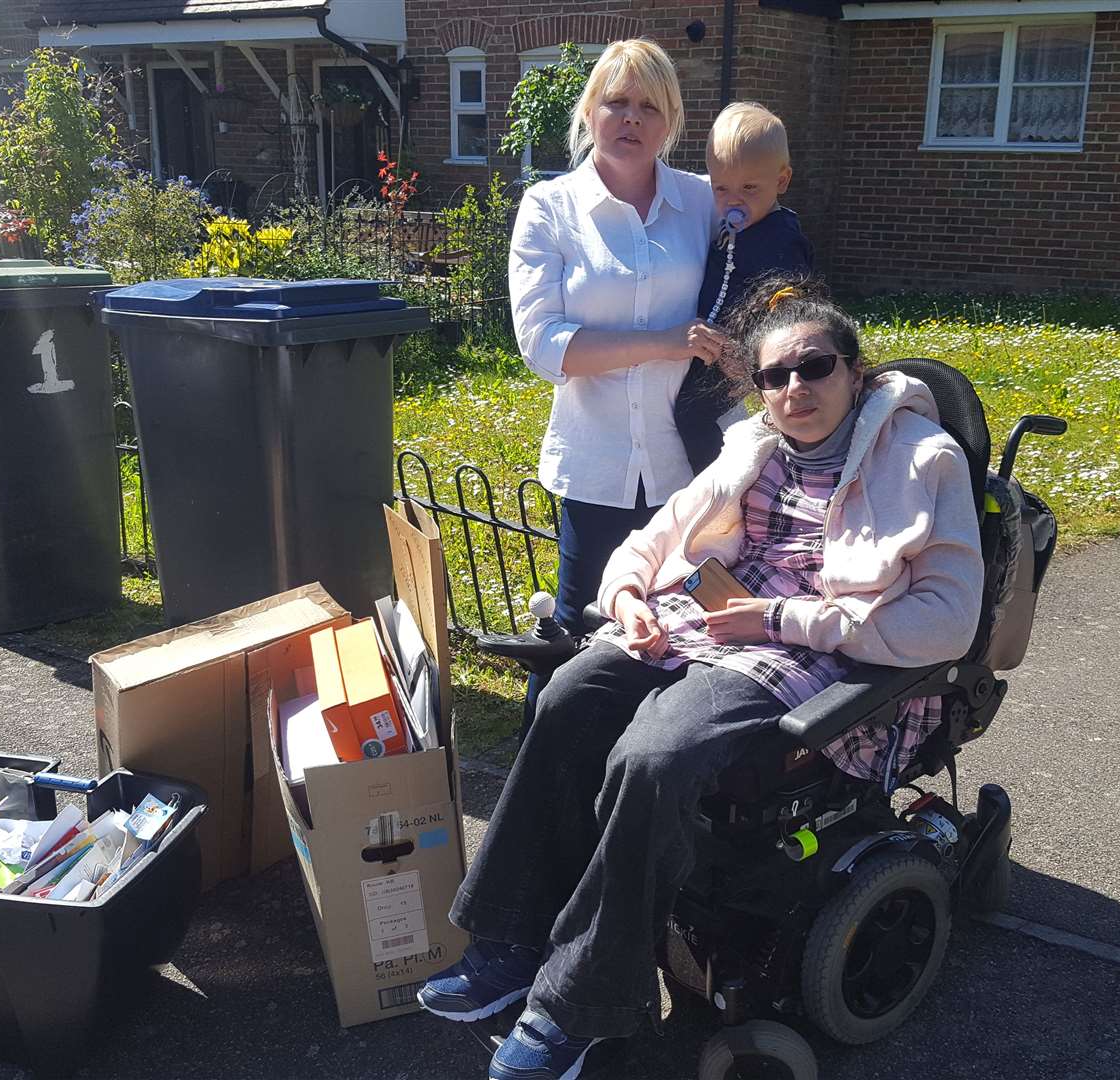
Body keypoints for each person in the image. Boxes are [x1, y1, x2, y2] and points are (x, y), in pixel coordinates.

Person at [419, 275, 985, 1080]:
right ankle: (510, 944)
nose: (795, 389)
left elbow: (948, 619)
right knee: (570, 697)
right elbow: (656, 539)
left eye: (815, 366)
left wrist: (783, 620)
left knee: (652, 756)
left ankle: (579, 1006)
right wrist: (624, 595)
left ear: (855, 372)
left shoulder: (923, 459)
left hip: (813, 646)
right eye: (774, 376)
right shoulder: (750, 446)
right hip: (707, 618)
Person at [504, 39, 732, 729]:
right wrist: (664, 342)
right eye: (617, 102)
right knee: (581, 631)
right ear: (590, 111)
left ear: (671, 122)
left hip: (691, 462)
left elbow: (756, 280)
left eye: (649, 107)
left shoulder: (701, 202)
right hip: (597, 463)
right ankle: (547, 793)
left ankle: (650, 786)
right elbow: (543, 344)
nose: (630, 119)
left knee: (686, 626)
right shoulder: (551, 208)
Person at [674, 102, 815, 474]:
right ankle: (734, 471)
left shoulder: (781, 236)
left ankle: (726, 483)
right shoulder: (731, 227)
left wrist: (756, 354)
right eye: (721, 188)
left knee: (693, 413)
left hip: (748, 352)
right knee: (695, 410)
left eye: (749, 188)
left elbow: (792, 302)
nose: (734, 200)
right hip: (713, 347)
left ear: (781, 181)